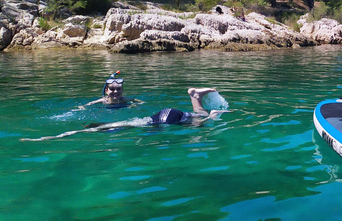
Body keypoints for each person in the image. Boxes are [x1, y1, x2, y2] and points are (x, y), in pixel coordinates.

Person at [24, 87, 229, 141]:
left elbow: (115, 126)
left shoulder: (139, 123)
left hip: (162, 118)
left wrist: (59, 135)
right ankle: (196, 97)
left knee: (202, 121)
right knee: (199, 118)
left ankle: (204, 106)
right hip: (166, 117)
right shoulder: (140, 123)